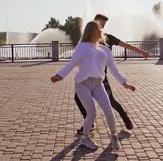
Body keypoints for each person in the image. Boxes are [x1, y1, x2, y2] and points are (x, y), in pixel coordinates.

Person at [51, 21, 136, 150]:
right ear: (92, 31)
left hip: (98, 84)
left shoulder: (105, 49)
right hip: (82, 85)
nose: (101, 31)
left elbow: (114, 69)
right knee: (92, 113)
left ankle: (113, 136)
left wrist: (126, 84)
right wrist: (60, 75)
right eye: (98, 29)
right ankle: (85, 138)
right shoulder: (81, 46)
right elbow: (72, 63)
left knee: (108, 110)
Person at [73, 14, 150, 134]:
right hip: (86, 79)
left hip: (101, 79)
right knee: (77, 99)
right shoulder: (86, 41)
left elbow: (126, 45)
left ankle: (125, 117)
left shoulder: (108, 38)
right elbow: (78, 56)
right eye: (100, 24)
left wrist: (142, 52)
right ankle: (89, 123)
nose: (102, 27)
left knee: (111, 101)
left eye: (103, 25)